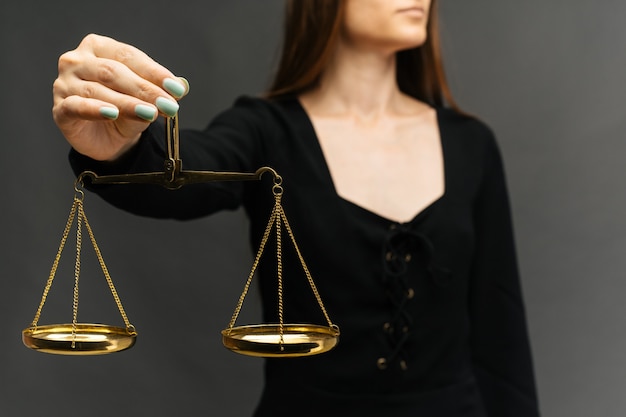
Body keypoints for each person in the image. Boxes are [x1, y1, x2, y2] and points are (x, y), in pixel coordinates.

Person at [52, 0, 540, 416]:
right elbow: (183, 176)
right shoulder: (266, 131)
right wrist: (115, 150)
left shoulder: (471, 144)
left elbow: (501, 334)